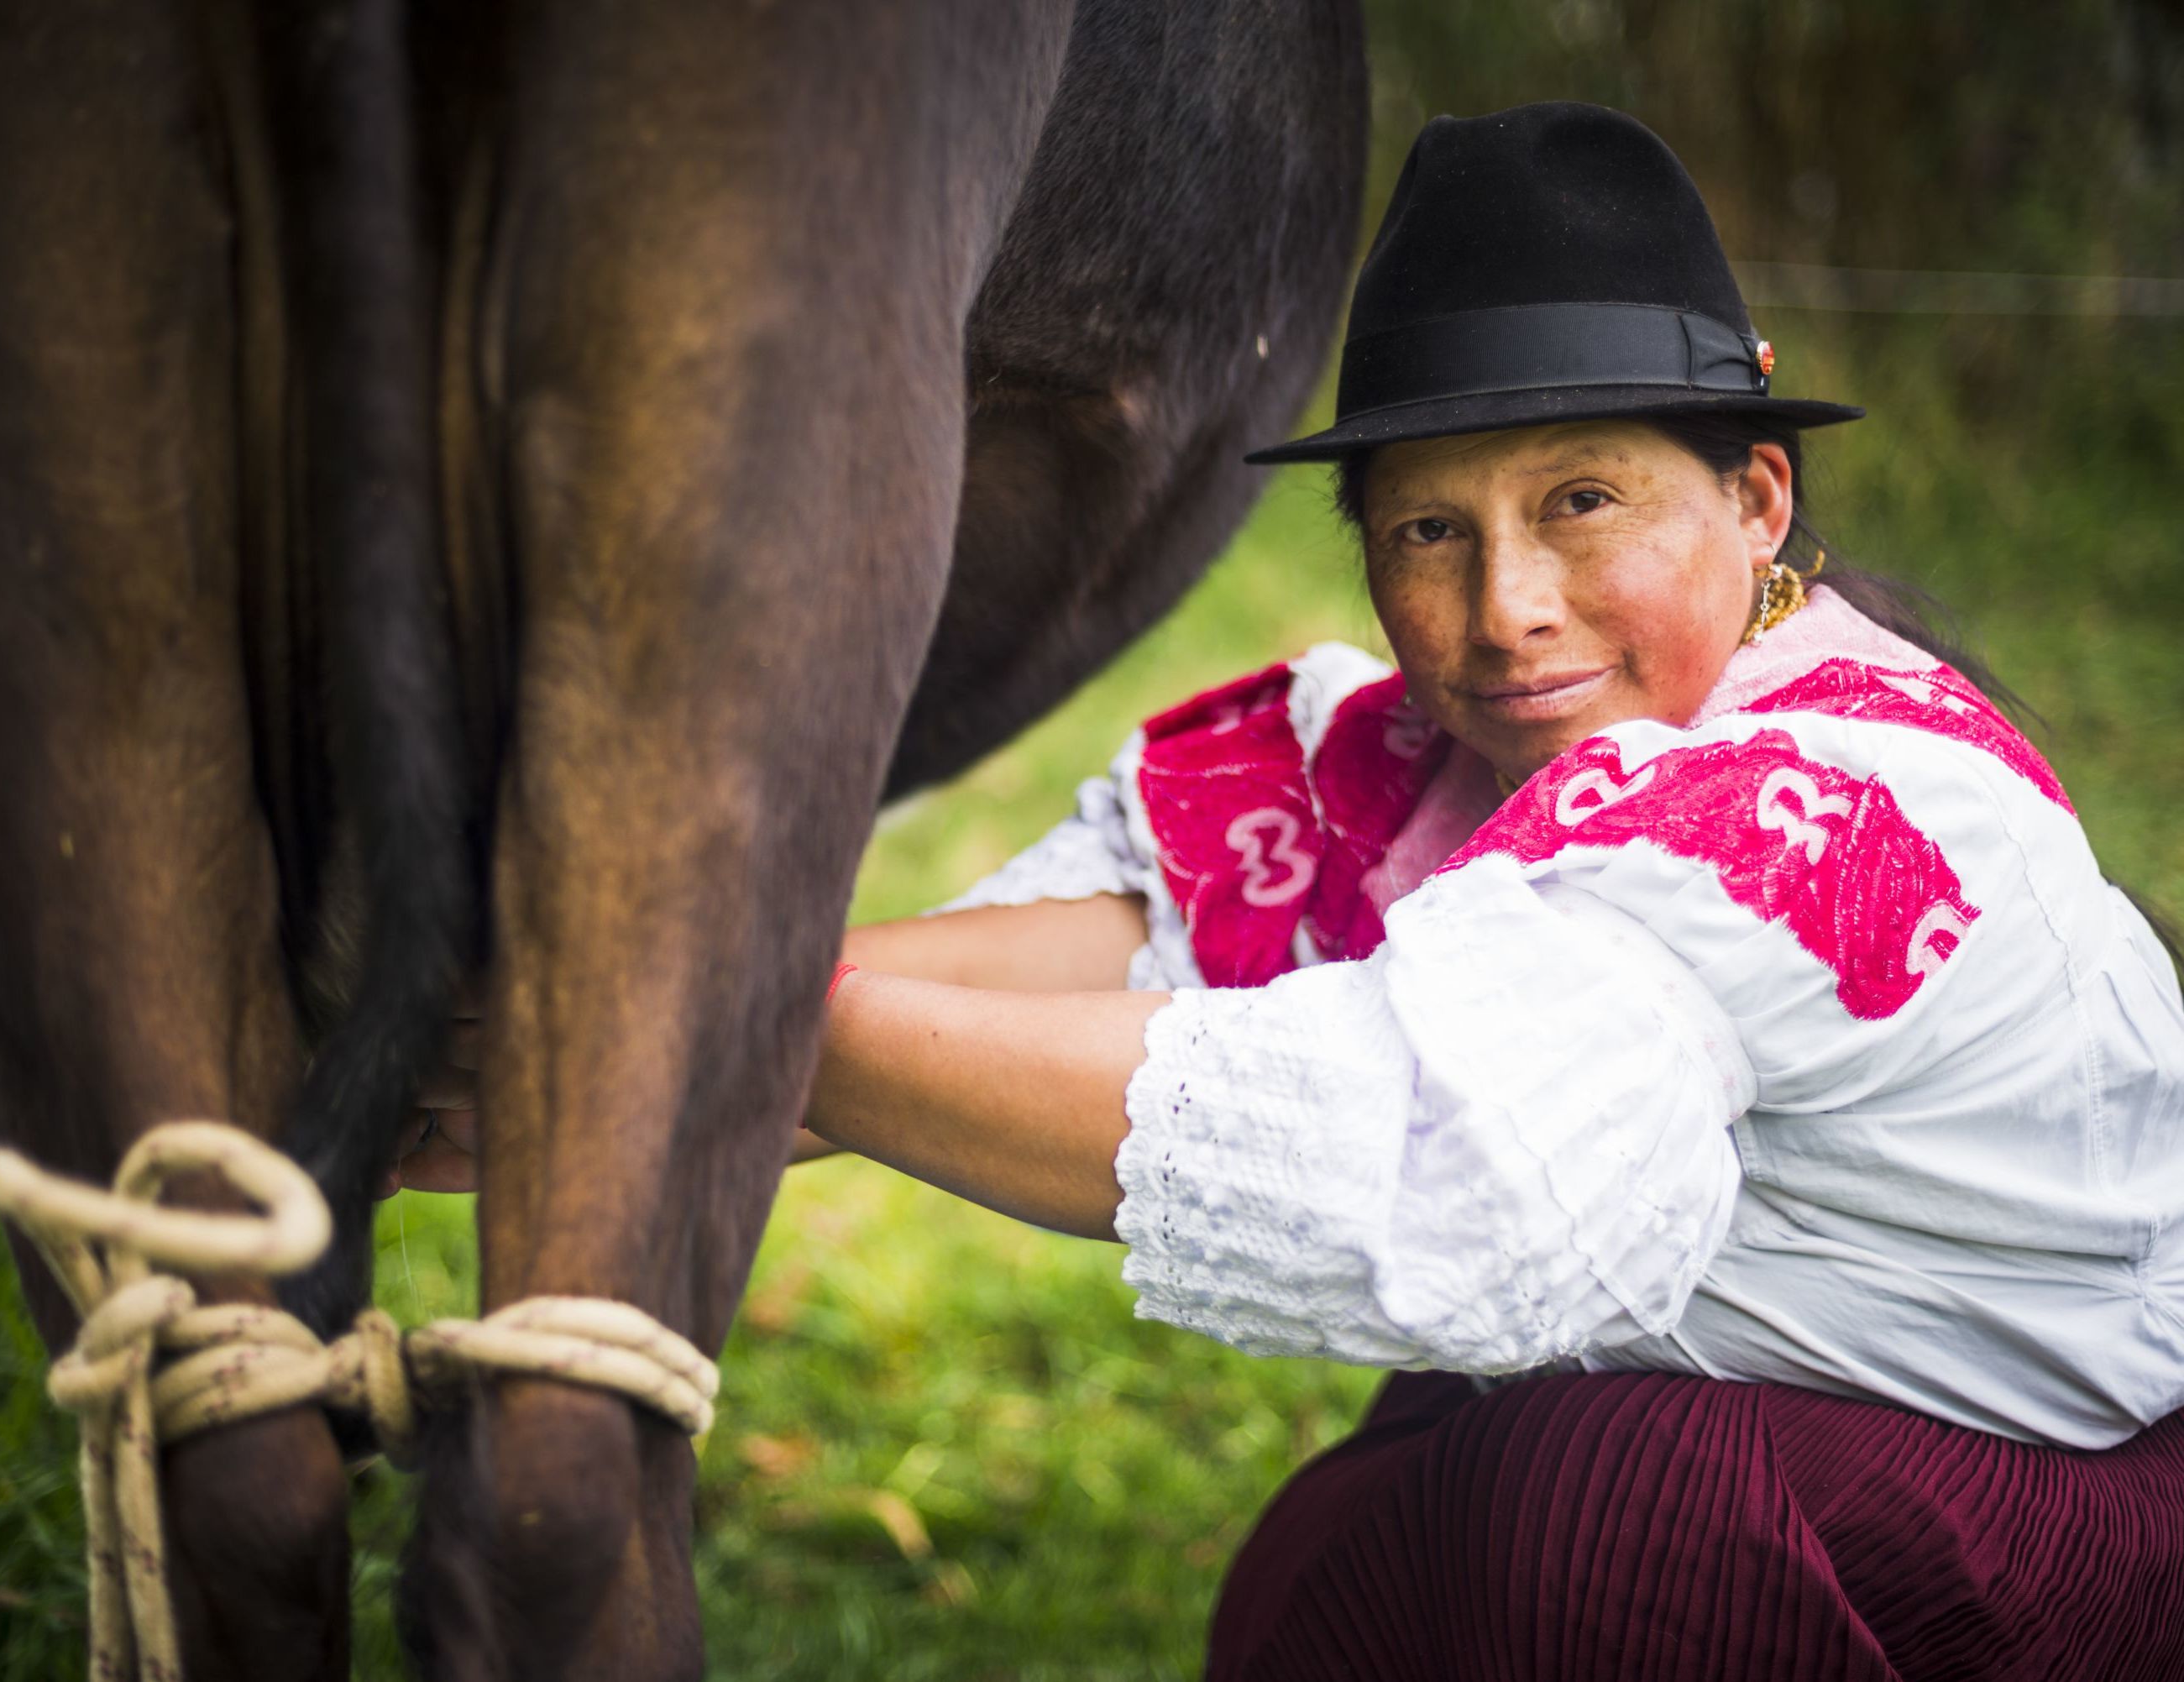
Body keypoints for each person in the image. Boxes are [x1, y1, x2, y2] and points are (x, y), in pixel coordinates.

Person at [393, 104, 2184, 1679]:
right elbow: (1105, 950)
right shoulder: (1436, 761)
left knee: (1605, 1502)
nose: (1505, 611)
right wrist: (573, 1036)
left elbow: (1432, 1160)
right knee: (1382, 1530)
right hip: (1787, 1418)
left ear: (1758, 502)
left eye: (1582, 500)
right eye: (1429, 530)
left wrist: (708, 1023)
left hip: (2036, 1514)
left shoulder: (1824, 811)